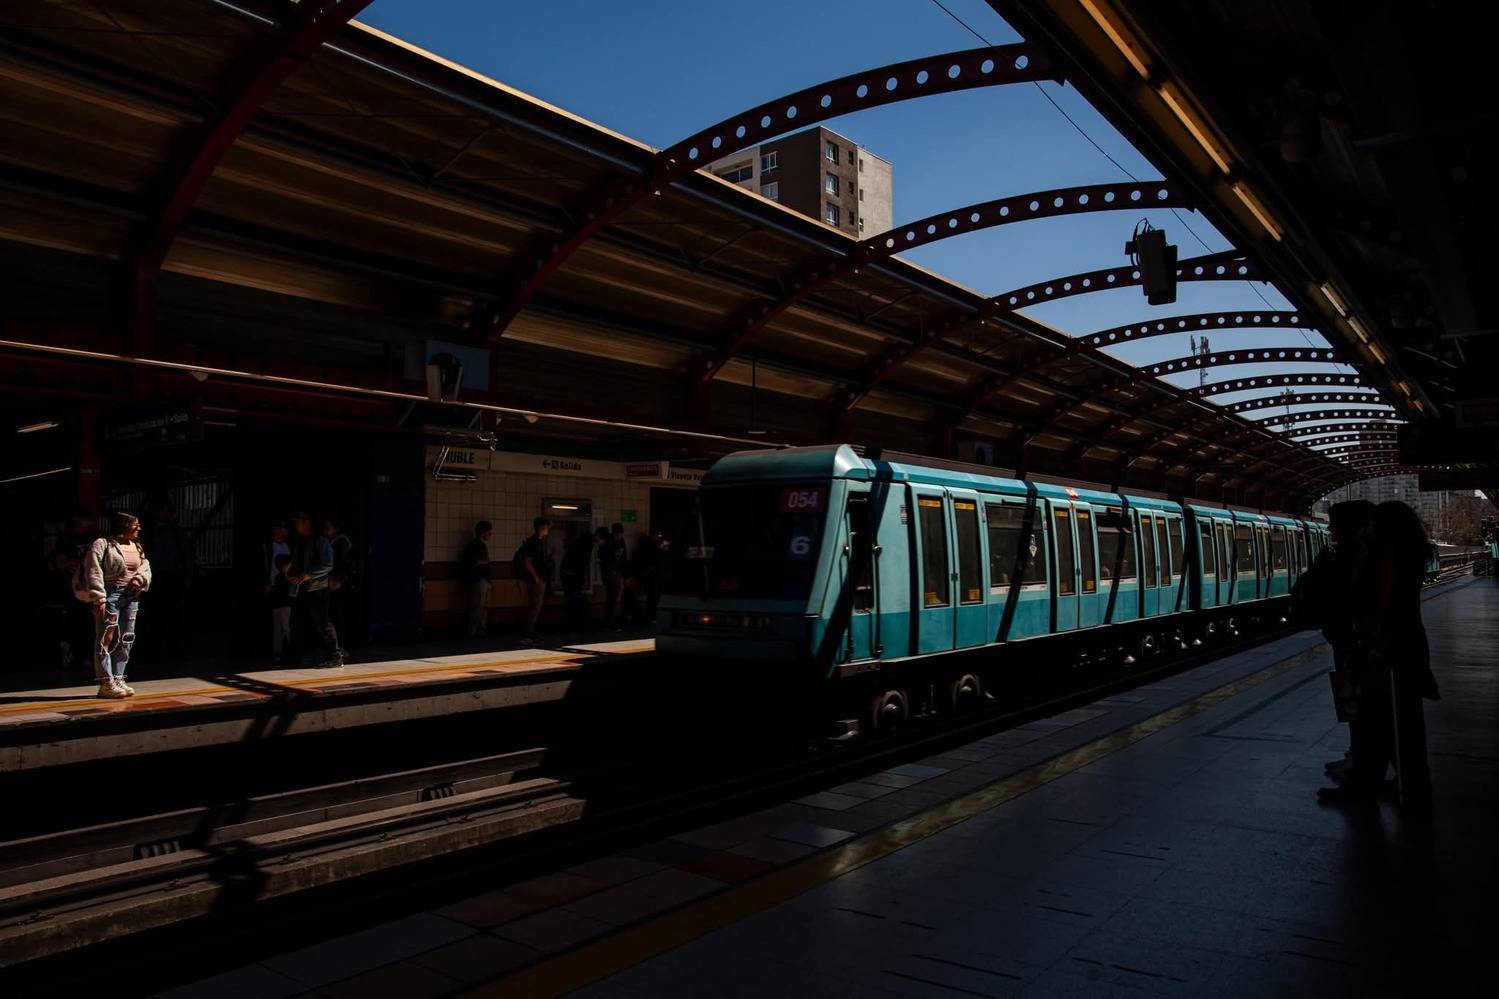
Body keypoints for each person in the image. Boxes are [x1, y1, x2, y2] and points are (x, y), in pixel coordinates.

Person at [1295, 501, 1375, 788]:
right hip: (1353, 640)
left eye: (1335, 523)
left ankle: (1362, 771)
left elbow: (1332, 593)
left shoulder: (1351, 558)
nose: (1329, 529)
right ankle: (1359, 759)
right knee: (1358, 706)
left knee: (1359, 706)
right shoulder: (1362, 555)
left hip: (1354, 643)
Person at [81, 512, 152, 699]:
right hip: (110, 594)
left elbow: (145, 566)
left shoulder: (136, 546)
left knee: (127, 637)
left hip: (131, 597)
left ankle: (119, 677)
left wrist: (139, 579)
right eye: (135, 525)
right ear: (123, 526)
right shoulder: (102, 544)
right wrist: (99, 598)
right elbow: (93, 570)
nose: (139, 528)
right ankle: (106, 682)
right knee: (107, 637)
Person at [140, 499, 194, 666]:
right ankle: (156, 650)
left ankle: (174, 649)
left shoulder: (177, 532)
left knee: (174, 616)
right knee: (155, 616)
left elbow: (186, 555)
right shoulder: (148, 531)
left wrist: (187, 577)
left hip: (172, 577)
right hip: (154, 577)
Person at [288, 511, 342, 668]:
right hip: (304, 588)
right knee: (303, 621)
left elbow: (328, 564)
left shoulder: (319, 541)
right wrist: (292, 574)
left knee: (322, 621)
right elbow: (297, 565)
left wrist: (308, 574)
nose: (296, 525)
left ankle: (335, 655)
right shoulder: (301, 542)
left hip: (317, 588)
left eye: (298, 521)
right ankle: (304, 654)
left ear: (306, 522)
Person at [52, 505, 97, 673]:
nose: (89, 523)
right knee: (75, 621)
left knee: (87, 621)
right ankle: (75, 655)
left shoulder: (91, 538)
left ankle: (85, 656)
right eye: (86, 520)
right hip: (72, 586)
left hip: (88, 586)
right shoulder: (67, 539)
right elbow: (60, 563)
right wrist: (80, 562)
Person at [516, 517, 552, 644]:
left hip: (536, 579)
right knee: (535, 607)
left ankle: (530, 632)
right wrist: (536, 577)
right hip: (536, 580)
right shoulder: (534, 542)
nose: (548, 530)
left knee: (535, 606)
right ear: (542, 528)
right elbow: (527, 561)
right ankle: (528, 633)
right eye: (547, 527)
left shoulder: (536, 541)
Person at [323, 517, 357, 649]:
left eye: (328, 528)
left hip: (340, 584)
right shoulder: (329, 542)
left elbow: (341, 564)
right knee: (332, 615)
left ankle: (341, 646)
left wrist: (337, 580)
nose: (325, 532)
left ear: (336, 529)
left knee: (339, 616)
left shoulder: (341, 542)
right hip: (331, 583)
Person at [560, 528, 599, 631]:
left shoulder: (577, 544)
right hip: (574, 576)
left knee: (571, 600)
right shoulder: (586, 547)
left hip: (567, 574)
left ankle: (573, 624)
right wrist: (582, 580)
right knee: (577, 600)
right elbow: (582, 564)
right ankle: (579, 623)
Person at [459, 521, 493, 639]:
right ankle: (473, 631)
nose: (490, 534)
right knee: (479, 606)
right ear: (483, 532)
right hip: (480, 580)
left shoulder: (478, 544)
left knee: (482, 606)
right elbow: (470, 561)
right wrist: (485, 562)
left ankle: (479, 629)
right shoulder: (476, 545)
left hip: (482, 579)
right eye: (489, 532)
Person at [632, 528, 671, 624]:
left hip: (657, 575)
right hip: (651, 576)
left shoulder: (657, 546)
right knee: (651, 597)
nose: (659, 538)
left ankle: (651, 616)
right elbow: (650, 559)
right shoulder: (648, 547)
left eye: (660, 536)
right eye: (657, 536)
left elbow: (663, 558)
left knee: (655, 597)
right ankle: (649, 617)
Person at [599, 523, 630, 630]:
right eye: (618, 534)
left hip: (616, 572)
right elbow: (602, 556)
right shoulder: (608, 542)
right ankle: (609, 620)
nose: (620, 536)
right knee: (611, 596)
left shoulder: (620, 541)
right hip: (609, 572)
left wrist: (625, 576)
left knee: (613, 596)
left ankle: (609, 619)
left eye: (620, 534)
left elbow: (624, 558)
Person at [269, 552, 296, 661]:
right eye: (289, 564)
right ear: (285, 566)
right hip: (285, 605)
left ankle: (278, 652)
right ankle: (290, 650)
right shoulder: (286, 577)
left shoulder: (277, 577)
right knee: (286, 629)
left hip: (277, 606)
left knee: (279, 630)